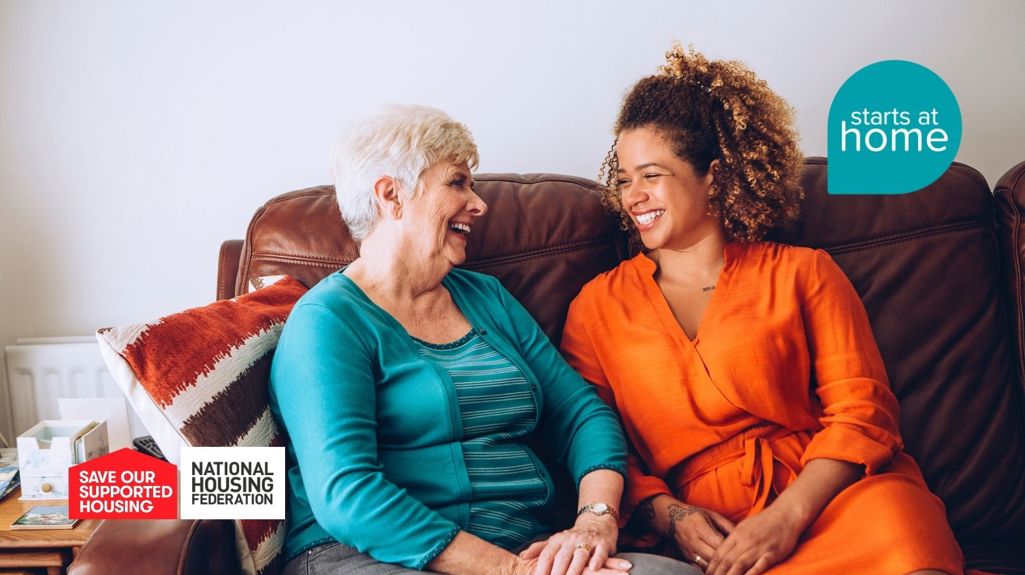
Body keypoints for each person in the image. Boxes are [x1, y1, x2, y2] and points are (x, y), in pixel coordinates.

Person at [561, 46, 977, 575]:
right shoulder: (597, 306)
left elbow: (863, 413)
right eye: (624, 179)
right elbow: (596, 442)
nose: (634, 196)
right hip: (707, 532)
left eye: (651, 175)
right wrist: (674, 517)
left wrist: (785, 519)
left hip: (824, 502)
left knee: (902, 527)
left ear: (711, 176)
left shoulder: (804, 272)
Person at [269, 105, 698, 575]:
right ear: (391, 195)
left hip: (523, 547)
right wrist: (510, 571)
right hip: (367, 557)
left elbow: (580, 413)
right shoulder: (329, 321)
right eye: (457, 183)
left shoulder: (485, 297)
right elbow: (346, 495)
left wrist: (594, 521)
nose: (479, 204)